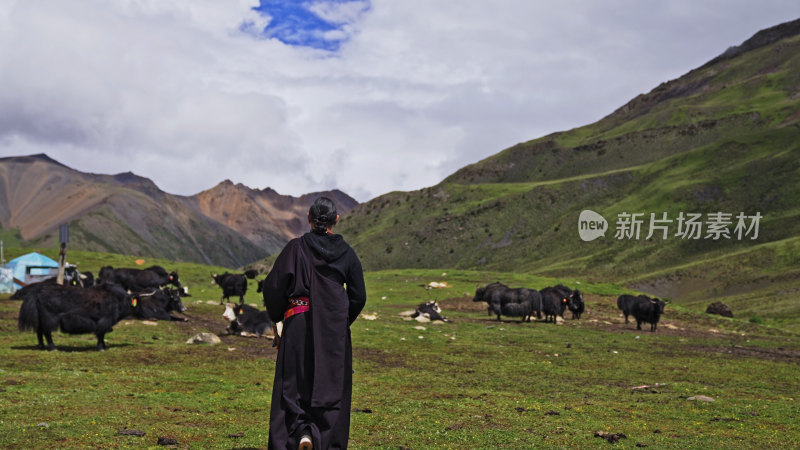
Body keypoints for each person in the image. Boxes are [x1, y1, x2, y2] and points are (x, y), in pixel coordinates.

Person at [262, 196, 367, 450]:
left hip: (298, 322)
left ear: (308, 218)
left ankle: (300, 433)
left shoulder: (295, 248)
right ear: (336, 220)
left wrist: (278, 318)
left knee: (294, 383)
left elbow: (273, 288)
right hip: (333, 330)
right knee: (330, 384)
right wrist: (339, 322)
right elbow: (358, 296)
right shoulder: (348, 254)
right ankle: (323, 438)